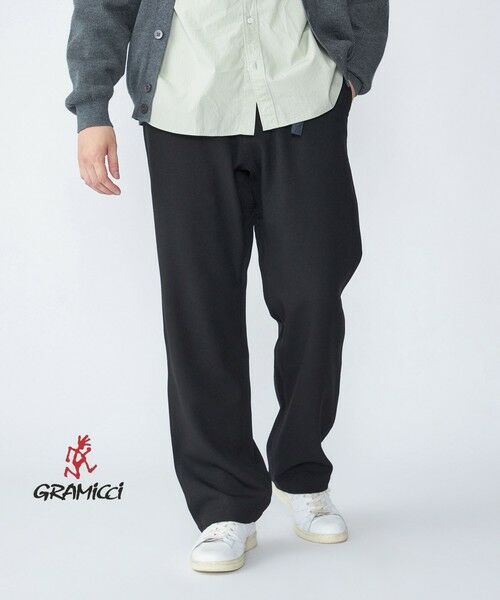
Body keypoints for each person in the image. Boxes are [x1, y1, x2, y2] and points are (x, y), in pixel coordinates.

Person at [66, 0, 389, 573]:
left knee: (314, 293)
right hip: (185, 105)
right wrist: (92, 108)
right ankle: (225, 503)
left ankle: (301, 471)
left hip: (303, 95)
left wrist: (355, 66)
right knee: (201, 310)